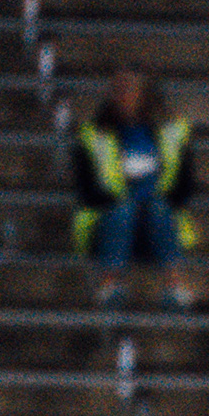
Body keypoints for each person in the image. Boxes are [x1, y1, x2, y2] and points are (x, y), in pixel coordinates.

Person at [72, 69, 196, 310]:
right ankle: (110, 284)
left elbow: (185, 185)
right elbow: (86, 188)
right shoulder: (94, 134)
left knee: (158, 209)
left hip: (158, 217)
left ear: (144, 94)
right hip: (110, 219)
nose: (122, 96)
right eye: (117, 90)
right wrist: (122, 202)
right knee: (123, 211)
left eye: (128, 90)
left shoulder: (171, 130)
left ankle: (175, 285)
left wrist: (150, 203)